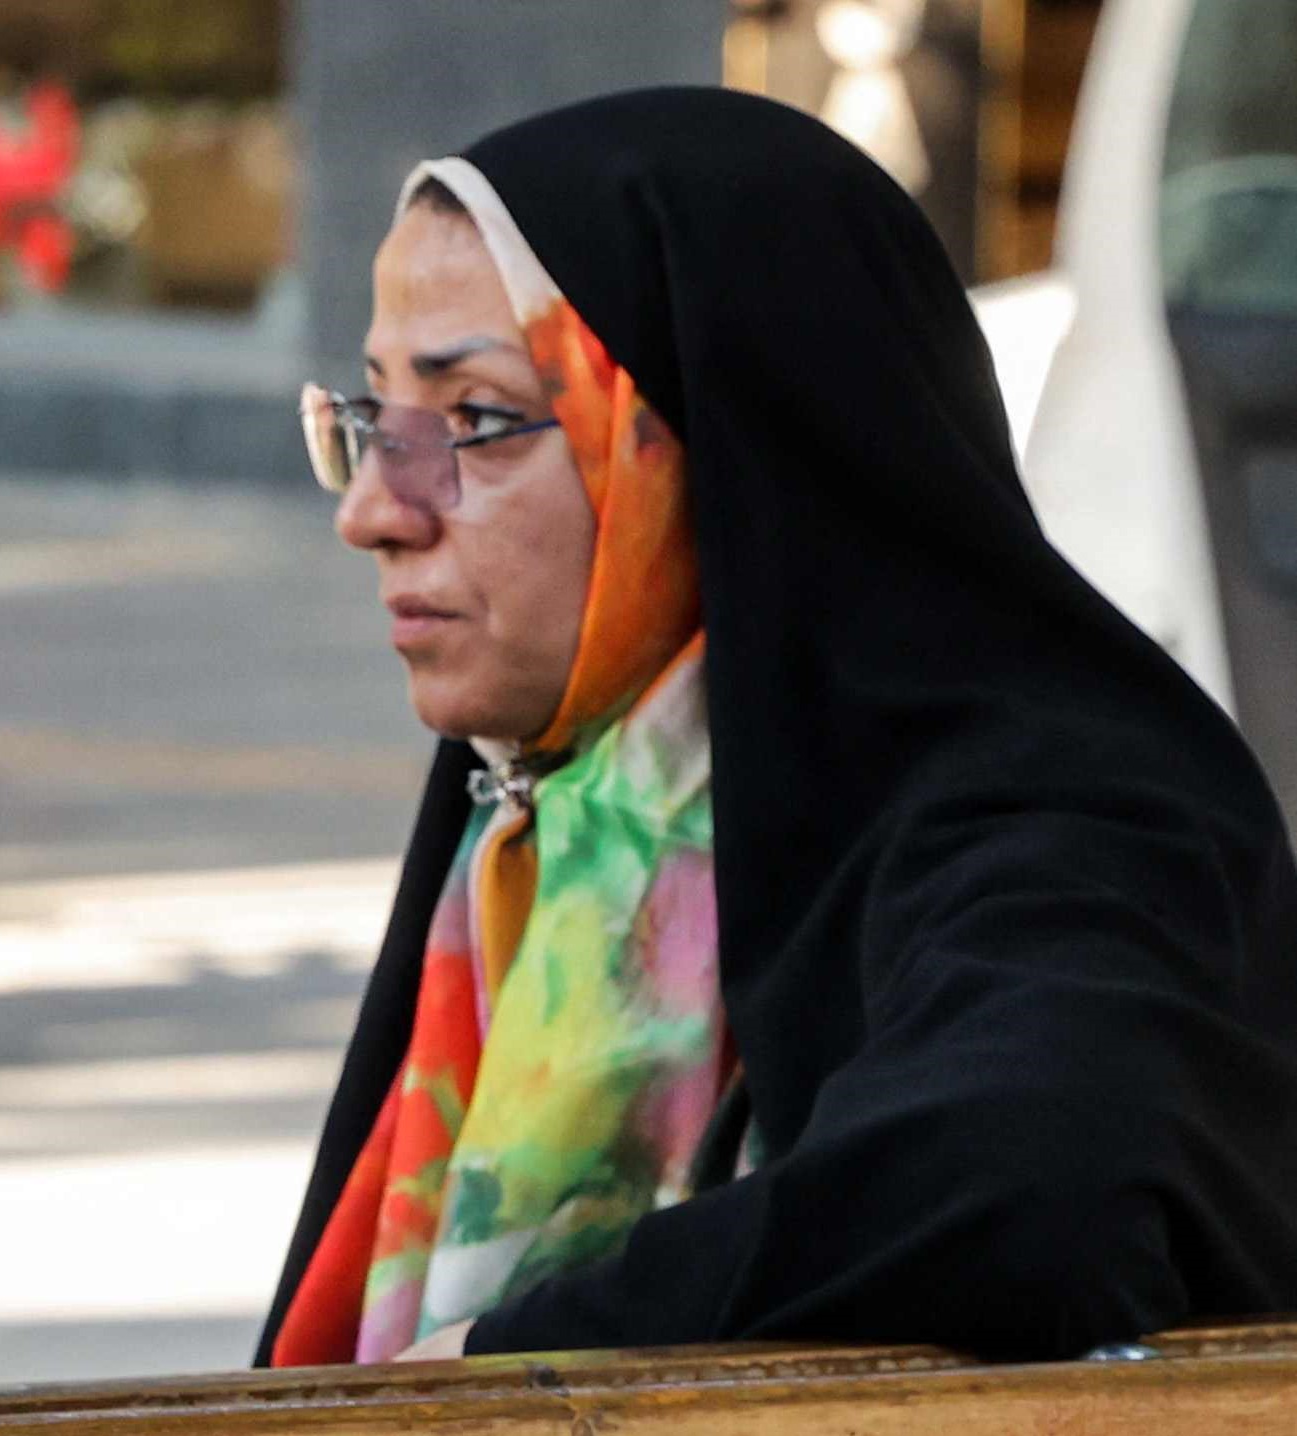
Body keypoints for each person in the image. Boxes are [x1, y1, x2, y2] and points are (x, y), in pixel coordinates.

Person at [266, 87, 1297, 1369]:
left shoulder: (1075, 833)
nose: (371, 511)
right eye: (371, 420)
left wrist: (511, 1357)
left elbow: (1037, 1176)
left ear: (724, 441)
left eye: (473, 420)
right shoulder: (542, 819)